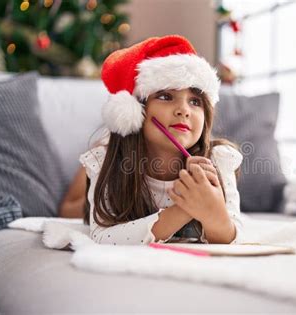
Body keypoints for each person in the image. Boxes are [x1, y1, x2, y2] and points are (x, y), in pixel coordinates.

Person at [76, 35, 244, 245]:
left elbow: (234, 241)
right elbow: (102, 237)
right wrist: (186, 207)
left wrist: (213, 213)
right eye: (165, 96)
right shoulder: (105, 160)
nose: (184, 110)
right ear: (137, 110)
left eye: (195, 101)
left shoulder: (218, 160)